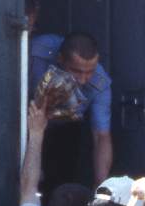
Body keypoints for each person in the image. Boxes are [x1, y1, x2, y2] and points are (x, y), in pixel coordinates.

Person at [28, 31, 113, 188]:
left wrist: (101, 188)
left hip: (63, 132)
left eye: (90, 72)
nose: (83, 80)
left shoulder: (101, 83)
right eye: (76, 71)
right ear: (60, 59)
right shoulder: (37, 50)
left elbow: (101, 136)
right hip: (25, 121)